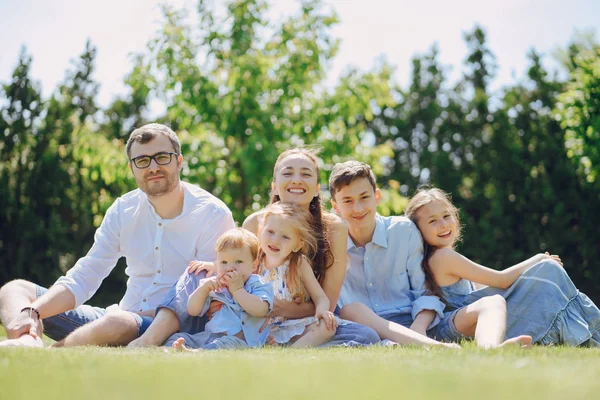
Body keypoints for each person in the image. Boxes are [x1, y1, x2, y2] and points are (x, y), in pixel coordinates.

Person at [0, 123, 235, 347]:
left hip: (166, 328)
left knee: (118, 322)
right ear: (132, 168)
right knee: (14, 290)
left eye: (162, 157)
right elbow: (87, 274)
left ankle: (52, 353)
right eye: (142, 161)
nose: (153, 167)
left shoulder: (212, 214)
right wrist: (34, 312)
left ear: (179, 162)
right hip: (116, 318)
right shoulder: (124, 209)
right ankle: (27, 340)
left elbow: (203, 293)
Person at [169, 148, 380, 348]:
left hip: (297, 320)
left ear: (317, 189)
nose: (296, 179)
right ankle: (162, 333)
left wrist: (271, 307)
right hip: (251, 314)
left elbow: (326, 302)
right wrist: (218, 269)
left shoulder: (332, 229)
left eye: (306, 174)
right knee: (195, 274)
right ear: (274, 186)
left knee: (364, 335)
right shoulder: (255, 223)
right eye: (288, 173)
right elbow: (238, 266)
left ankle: (288, 349)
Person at [330, 161, 531, 348]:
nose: (358, 208)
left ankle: (490, 352)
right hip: (371, 328)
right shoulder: (330, 245)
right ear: (335, 206)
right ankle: (438, 349)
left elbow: (425, 292)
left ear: (377, 196)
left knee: (493, 302)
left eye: (364, 197)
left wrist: (419, 327)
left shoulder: (403, 231)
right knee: (351, 309)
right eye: (348, 201)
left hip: (421, 324)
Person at [405, 187, 600, 346]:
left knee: (544, 277)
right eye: (432, 221)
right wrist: (539, 258)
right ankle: (588, 330)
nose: (442, 224)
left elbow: (489, 287)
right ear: (418, 231)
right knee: (548, 270)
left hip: (468, 320)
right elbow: (502, 280)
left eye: (446, 216)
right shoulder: (442, 257)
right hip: (458, 324)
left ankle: (584, 331)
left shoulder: (442, 257)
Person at [168, 228, 273, 351]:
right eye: (224, 262)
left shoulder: (257, 284)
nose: (229, 268)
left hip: (239, 341)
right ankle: (171, 349)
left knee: (222, 344)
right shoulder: (214, 284)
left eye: (238, 261)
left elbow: (261, 310)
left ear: (253, 265)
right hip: (209, 336)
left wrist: (238, 290)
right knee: (179, 337)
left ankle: (197, 353)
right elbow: (193, 310)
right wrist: (203, 289)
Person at [257, 203, 337, 347]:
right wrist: (214, 266)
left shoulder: (298, 263)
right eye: (270, 232)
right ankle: (270, 344)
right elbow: (232, 264)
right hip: (261, 326)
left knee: (327, 327)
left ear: (298, 245)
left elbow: (320, 297)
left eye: (285, 237)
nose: (275, 240)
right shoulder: (254, 260)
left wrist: (321, 311)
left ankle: (292, 352)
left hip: (293, 325)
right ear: (261, 230)